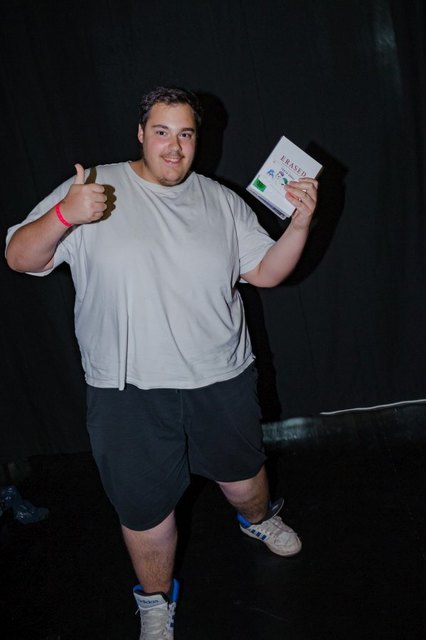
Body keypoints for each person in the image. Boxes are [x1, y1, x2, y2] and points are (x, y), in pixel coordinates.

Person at [5, 86, 318, 639]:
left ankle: (259, 520)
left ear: (198, 139)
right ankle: (155, 601)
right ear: (141, 134)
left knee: (245, 481)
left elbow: (266, 272)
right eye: (162, 132)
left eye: (186, 134)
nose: (174, 147)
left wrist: (298, 224)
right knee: (146, 514)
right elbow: (18, 256)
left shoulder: (220, 200)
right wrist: (64, 215)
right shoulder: (94, 186)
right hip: (126, 391)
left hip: (221, 378)